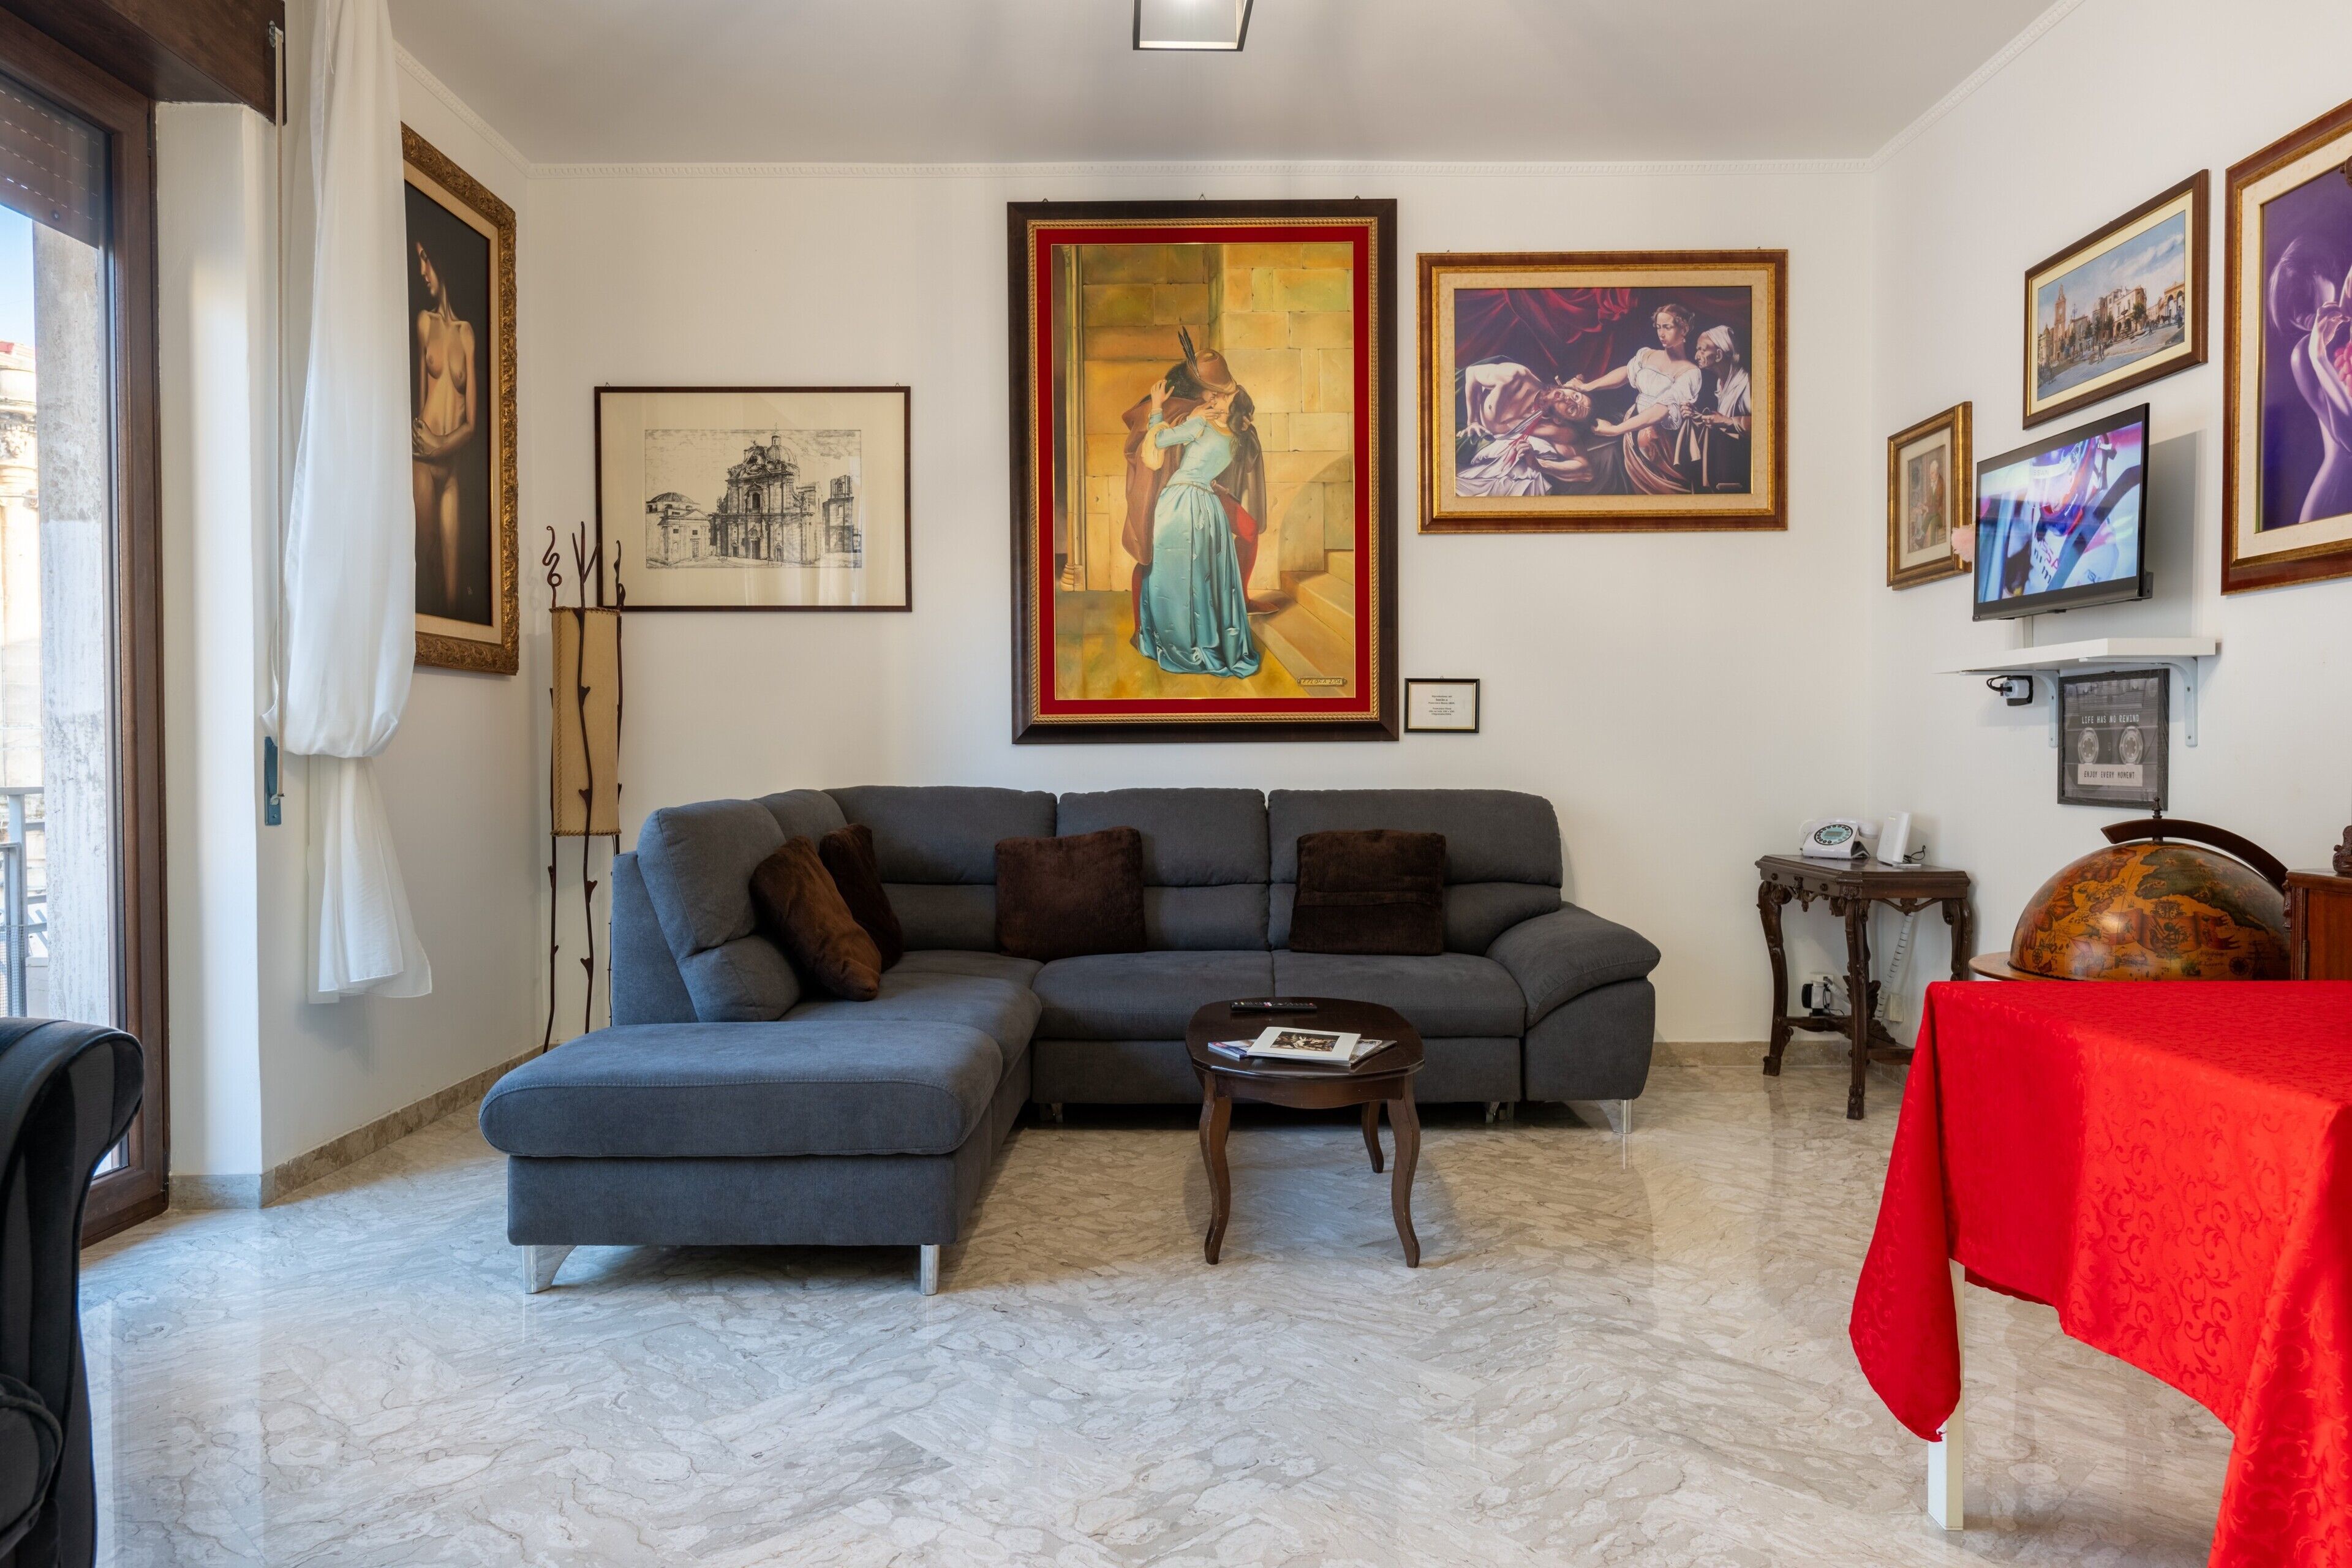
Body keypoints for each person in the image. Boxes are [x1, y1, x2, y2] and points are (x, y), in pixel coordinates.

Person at [1131, 373, 1260, 677]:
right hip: (1209, 510)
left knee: (1171, 576)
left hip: (1180, 503)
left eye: (1223, 396)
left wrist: (1157, 408)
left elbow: (1157, 444)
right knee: (1201, 578)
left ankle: (1177, 642)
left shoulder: (1201, 424)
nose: (1215, 397)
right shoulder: (1237, 440)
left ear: (1230, 407)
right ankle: (1204, 641)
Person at [1569, 301, 1703, 494]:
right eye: (1658, 327)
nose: (1661, 333)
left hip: (1659, 441)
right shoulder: (1648, 354)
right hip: (1632, 427)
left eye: (1667, 327)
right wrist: (1588, 387)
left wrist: (1615, 430)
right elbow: (1626, 374)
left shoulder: (1690, 372)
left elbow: (1662, 410)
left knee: (1662, 492)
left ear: (1684, 330)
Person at [412, 240, 478, 616]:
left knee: (452, 596)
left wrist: (440, 445)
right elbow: (418, 405)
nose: (423, 271)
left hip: (449, 469)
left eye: (426, 258)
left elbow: (472, 424)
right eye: (419, 260)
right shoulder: (424, 322)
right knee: (428, 565)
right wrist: (429, 446)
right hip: (423, 464)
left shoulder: (467, 333)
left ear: (441, 258)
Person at [2267, 235, 2352, 527]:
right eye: (2291, 310)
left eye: (2301, 294)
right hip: (2334, 500)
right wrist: (2319, 357)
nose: (2302, 316)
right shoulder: (2305, 353)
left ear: (2320, 271)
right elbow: (2350, 438)